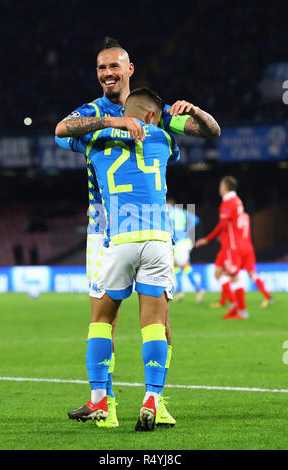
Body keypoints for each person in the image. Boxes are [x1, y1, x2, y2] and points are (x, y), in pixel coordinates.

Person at [55, 36, 221, 425]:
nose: (108, 74)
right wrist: (114, 120)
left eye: (115, 66)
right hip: (104, 223)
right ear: (97, 74)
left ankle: (155, 401)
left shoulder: (156, 115)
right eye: (101, 68)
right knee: (109, 317)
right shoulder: (92, 113)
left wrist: (190, 108)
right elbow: (61, 128)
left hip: (133, 224)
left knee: (159, 320)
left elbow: (208, 129)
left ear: (130, 70)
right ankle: (104, 400)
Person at [62, 87, 180, 431]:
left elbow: (63, 133)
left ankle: (103, 402)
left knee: (101, 320)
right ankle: (152, 398)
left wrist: (108, 124)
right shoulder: (163, 140)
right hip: (159, 240)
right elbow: (204, 133)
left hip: (117, 239)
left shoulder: (95, 138)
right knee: (156, 324)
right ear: (149, 117)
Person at [195, 176, 248, 319]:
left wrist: (208, 238)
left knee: (233, 275)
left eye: (221, 185)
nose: (219, 188)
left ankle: (241, 310)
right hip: (228, 243)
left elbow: (223, 225)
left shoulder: (228, 202)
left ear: (225, 187)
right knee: (218, 272)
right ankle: (234, 305)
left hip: (231, 244)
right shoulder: (236, 200)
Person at [167, 198, 205, 303]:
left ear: (169, 205)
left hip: (181, 243)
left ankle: (199, 289)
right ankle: (180, 292)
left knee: (185, 265)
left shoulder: (169, 213)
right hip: (182, 241)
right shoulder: (182, 212)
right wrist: (188, 229)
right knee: (175, 265)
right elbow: (196, 219)